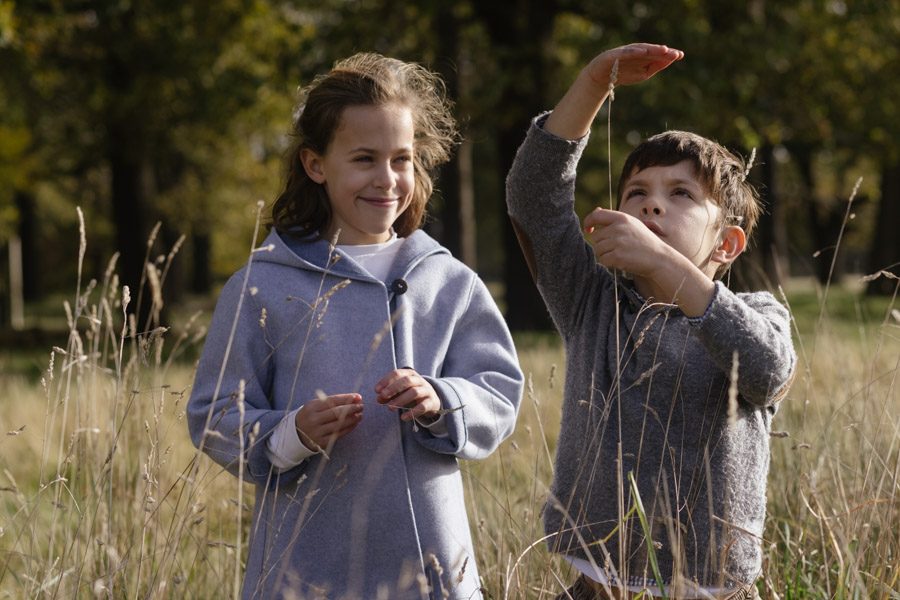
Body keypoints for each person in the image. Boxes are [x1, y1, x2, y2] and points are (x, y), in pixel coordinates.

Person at [188, 52, 524, 600]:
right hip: (304, 564)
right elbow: (214, 410)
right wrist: (290, 433)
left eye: (402, 159)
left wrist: (441, 399)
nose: (387, 179)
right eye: (365, 158)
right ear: (316, 164)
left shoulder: (449, 279)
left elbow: (499, 391)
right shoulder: (260, 284)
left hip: (430, 567)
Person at [505, 43, 797, 599]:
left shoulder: (758, 313)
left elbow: (767, 372)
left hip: (710, 583)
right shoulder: (591, 302)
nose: (651, 205)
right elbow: (532, 196)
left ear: (728, 244)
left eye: (680, 194)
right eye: (636, 193)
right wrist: (593, 83)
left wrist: (665, 263)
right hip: (600, 580)